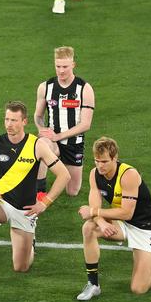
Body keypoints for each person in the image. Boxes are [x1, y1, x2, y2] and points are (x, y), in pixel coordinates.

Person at [0, 101, 70, 287]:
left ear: (24, 121)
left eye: (14, 120)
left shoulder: (37, 145)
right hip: (2, 203)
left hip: (25, 211)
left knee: (21, 267)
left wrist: (44, 203)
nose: (9, 124)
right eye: (7, 119)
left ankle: (31, 243)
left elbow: (64, 175)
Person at [76, 137, 151, 300]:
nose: (100, 165)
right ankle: (93, 284)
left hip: (144, 227)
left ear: (115, 158)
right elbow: (95, 202)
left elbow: (127, 212)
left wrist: (93, 211)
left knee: (138, 288)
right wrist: (100, 221)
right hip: (120, 223)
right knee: (89, 227)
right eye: (97, 161)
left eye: (105, 161)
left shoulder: (129, 175)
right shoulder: (95, 173)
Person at [34, 46, 94, 200]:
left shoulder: (84, 89)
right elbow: (38, 115)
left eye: (65, 67)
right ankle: (39, 192)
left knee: (72, 191)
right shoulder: (45, 87)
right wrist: (42, 129)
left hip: (73, 143)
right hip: (52, 141)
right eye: (58, 66)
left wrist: (59, 136)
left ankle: (59, 167)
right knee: (42, 145)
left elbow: (86, 124)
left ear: (73, 65)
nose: (61, 71)